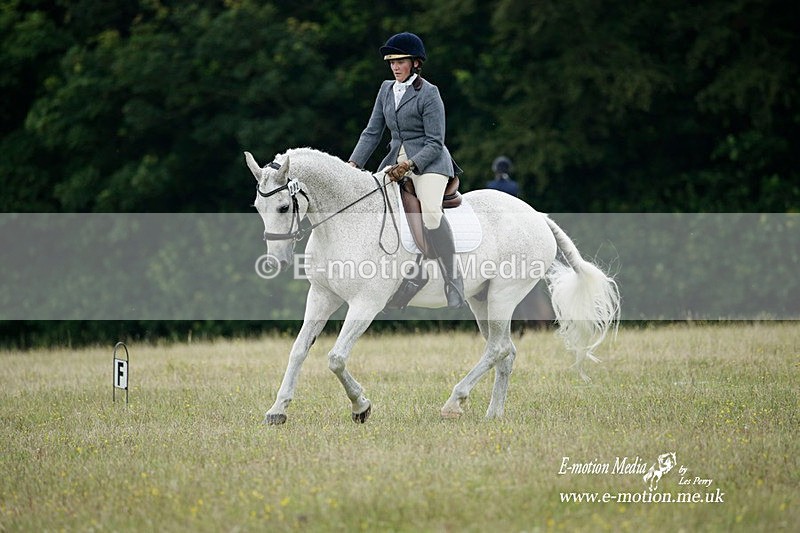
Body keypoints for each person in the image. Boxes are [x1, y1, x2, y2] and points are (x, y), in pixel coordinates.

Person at [348, 32, 464, 308]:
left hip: (429, 163)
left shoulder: (429, 93)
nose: (395, 67)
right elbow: (372, 132)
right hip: (393, 162)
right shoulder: (386, 89)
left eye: (400, 61)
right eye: (391, 62)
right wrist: (352, 165)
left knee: (431, 213)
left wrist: (410, 165)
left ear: (415, 63)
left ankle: (453, 277)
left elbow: (435, 142)